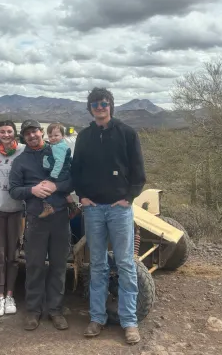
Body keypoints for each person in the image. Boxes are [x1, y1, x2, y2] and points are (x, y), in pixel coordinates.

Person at [71, 87, 146, 345]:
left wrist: (130, 197)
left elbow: (138, 170)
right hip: (92, 209)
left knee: (125, 263)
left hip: (119, 209)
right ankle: (97, 317)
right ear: (90, 109)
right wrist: (81, 195)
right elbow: (76, 169)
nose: (100, 108)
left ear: (111, 106)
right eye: (95, 104)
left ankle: (129, 322)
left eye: (104, 103)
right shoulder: (84, 136)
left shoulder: (126, 133)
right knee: (99, 264)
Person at [9, 120, 72, 332]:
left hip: (60, 217)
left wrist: (57, 185)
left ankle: (55, 310)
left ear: (41, 132)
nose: (32, 136)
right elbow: (14, 190)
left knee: (58, 265)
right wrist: (32, 191)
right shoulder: (21, 162)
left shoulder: (58, 150)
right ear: (24, 138)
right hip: (36, 219)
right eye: (27, 134)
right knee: (35, 266)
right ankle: (33, 311)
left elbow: (72, 181)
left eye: (34, 131)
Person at [0, 121, 26, 317]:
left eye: (9, 131)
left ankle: (10, 294)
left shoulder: (24, 151)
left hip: (17, 209)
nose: (6, 134)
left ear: (15, 134)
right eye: (2, 131)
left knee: (13, 254)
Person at [39, 122, 77, 218]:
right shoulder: (63, 145)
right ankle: (74, 207)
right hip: (65, 172)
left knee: (45, 186)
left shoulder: (57, 147)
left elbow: (59, 162)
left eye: (56, 135)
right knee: (64, 192)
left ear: (63, 136)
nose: (53, 138)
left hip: (59, 173)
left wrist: (53, 176)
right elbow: (69, 159)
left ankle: (48, 207)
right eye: (50, 136)